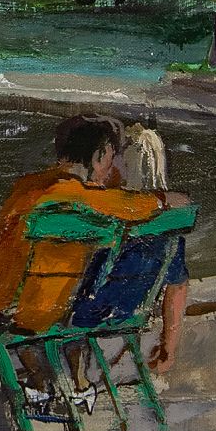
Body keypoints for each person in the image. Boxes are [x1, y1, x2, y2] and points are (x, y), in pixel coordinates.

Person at [0, 114, 186, 415]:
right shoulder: (88, 197)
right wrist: (165, 200)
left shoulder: (28, 187)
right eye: (110, 156)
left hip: (0, 307)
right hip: (40, 312)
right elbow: (134, 206)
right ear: (100, 155)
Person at [66, 124, 191, 382]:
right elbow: (177, 287)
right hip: (134, 313)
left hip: (90, 313)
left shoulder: (112, 213)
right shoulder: (169, 226)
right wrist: (169, 348)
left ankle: (76, 376)